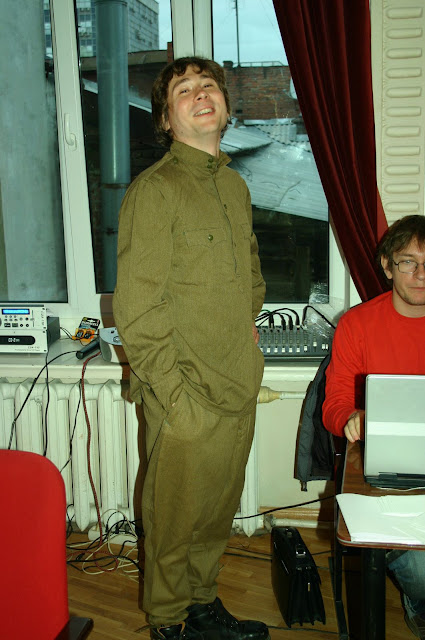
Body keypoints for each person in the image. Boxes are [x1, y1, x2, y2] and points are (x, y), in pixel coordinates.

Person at [113, 57, 269, 640]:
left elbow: (249, 271)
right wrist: (174, 398)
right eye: (185, 90)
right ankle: (169, 621)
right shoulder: (156, 192)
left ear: (225, 106)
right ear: (165, 118)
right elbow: (137, 307)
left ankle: (202, 605)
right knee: (175, 519)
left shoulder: (234, 185)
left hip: (237, 382)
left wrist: (245, 323)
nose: (201, 95)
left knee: (216, 510)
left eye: (209, 86)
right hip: (185, 394)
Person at [322, 214, 425, 638]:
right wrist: (352, 418)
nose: (421, 274)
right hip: (381, 468)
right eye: (408, 262)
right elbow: (334, 405)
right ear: (387, 266)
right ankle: (419, 601)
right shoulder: (357, 324)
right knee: (421, 566)